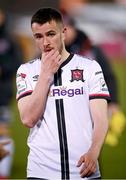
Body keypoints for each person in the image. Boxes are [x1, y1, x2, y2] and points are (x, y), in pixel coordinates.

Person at [16, 8, 110, 179]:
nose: (45, 42)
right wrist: (45, 75)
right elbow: (28, 119)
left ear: (64, 33)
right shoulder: (26, 71)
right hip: (41, 172)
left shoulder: (90, 67)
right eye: (38, 36)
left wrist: (94, 152)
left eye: (51, 34)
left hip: (83, 170)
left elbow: (101, 119)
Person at [63, 13, 126, 146]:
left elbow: (108, 76)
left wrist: (113, 102)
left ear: (74, 28)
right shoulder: (52, 51)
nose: (65, 33)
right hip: (63, 110)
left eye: (67, 28)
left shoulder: (92, 49)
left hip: (90, 107)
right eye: (61, 29)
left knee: (90, 150)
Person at [0, 9, 23, 178]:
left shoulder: (10, 40)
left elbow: (18, 63)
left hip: (2, 94)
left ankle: (3, 173)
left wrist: (3, 69)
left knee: (2, 131)